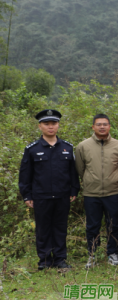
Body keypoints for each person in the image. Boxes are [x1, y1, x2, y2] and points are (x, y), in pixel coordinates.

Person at [19, 109, 80, 271]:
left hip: (62, 195)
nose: (50, 127)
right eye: (46, 124)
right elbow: (25, 175)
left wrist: (74, 190)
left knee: (60, 228)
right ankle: (45, 261)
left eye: (54, 123)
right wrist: (27, 195)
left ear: (58, 125)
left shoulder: (67, 148)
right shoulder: (32, 149)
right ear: (40, 126)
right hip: (41, 196)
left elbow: (73, 173)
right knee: (43, 229)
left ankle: (60, 260)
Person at [75, 114, 118, 268]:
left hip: (113, 192)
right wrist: (91, 180)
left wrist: (115, 179)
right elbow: (80, 169)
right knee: (92, 225)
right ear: (93, 127)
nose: (102, 127)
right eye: (98, 124)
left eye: (105, 124)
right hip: (91, 193)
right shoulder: (83, 146)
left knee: (113, 224)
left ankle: (113, 253)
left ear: (110, 126)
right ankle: (92, 254)